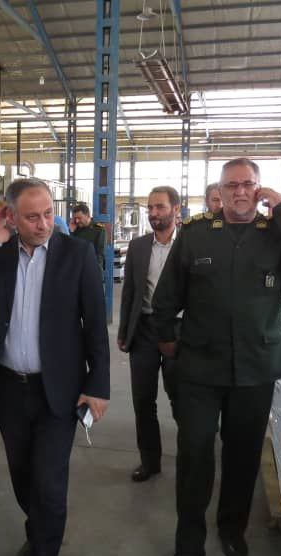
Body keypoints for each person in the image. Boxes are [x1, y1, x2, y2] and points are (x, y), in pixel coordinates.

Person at [153, 158, 281, 556]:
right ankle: (189, 541)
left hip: (255, 366)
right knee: (194, 452)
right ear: (220, 191)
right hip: (200, 366)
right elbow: (167, 294)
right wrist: (167, 340)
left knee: (242, 455)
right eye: (231, 185)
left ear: (259, 189)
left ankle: (232, 529)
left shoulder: (276, 233)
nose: (240, 192)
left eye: (248, 184)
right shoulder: (196, 234)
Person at [0, 178, 110, 556]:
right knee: (22, 474)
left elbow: (95, 324)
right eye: (32, 217)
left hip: (58, 387)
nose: (43, 224)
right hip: (9, 387)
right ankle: (38, 532)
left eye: (48, 213)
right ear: (11, 217)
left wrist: (98, 385)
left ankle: (45, 552)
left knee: (49, 481)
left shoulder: (76, 254)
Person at [117, 186, 181, 483]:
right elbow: (130, 291)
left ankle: (190, 459)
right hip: (143, 330)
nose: (154, 213)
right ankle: (149, 461)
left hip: (179, 332)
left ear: (176, 210)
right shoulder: (139, 246)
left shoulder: (190, 245)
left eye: (160, 207)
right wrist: (124, 331)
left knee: (181, 399)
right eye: (150, 208)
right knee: (143, 400)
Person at [70, 202, 106, 271]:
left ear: (87, 216)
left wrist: (97, 272)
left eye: (79, 218)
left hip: (91, 267)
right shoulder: (75, 228)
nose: (77, 221)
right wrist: (71, 231)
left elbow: (99, 254)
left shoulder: (98, 229)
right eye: (75, 218)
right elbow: (70, 249)